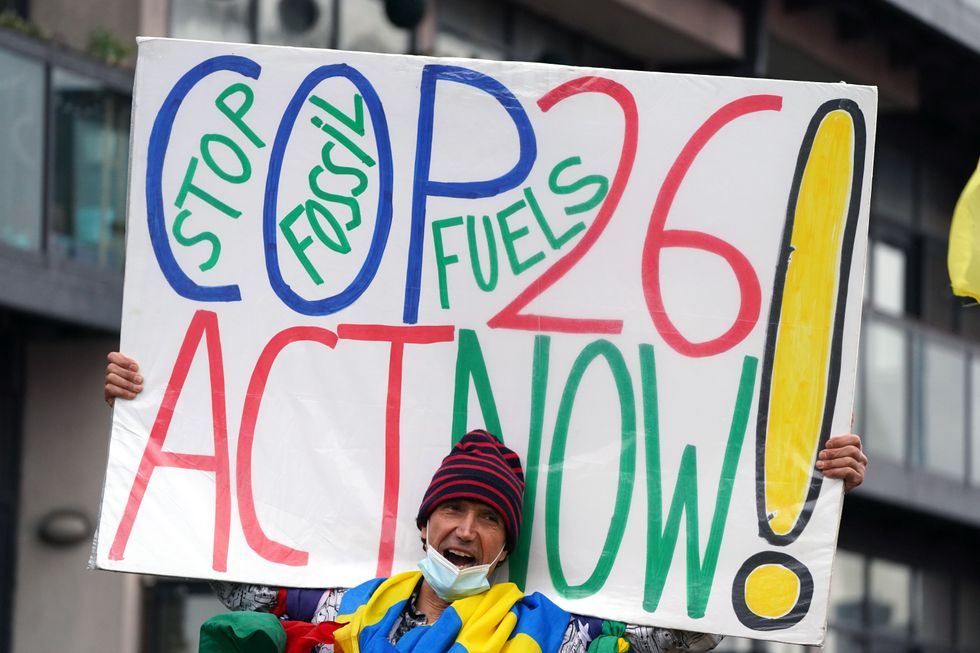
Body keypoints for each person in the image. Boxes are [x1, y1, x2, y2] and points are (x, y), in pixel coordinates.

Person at [103, 353, 868, 652]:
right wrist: (148, 408)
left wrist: (813, 489)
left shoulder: (547, 632)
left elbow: (688, 626)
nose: (465, 531)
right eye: (454, 511)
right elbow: (209, 545)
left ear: (505, 544)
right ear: (426, 521)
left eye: (488, 519)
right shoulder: (341, 606)